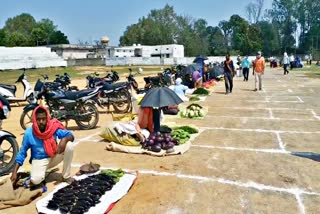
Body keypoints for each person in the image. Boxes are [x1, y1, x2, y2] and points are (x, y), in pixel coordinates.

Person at [10, 106, 74, 188]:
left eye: (43, 119)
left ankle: (66, 176)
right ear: (34, 119)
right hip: (39, 160)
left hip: (54, 156)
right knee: (35, 180)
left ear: (47, 118)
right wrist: (14, 171)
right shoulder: (29, 133)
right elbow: (22, 153)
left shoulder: (52, 127)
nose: (41, 121)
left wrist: (64, 140)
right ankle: (42, 173)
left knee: (69, 145)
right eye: (38, 119)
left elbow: (70, 135)